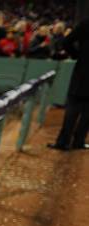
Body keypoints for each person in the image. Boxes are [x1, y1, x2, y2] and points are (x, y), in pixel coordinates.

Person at [48, 18, 89, 151]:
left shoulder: (86, 22)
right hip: (83, 72)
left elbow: (66, 42)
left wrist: (76, 55)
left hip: (82, 72)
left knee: (73, 107)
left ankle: (63, 142)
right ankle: (79, 141)